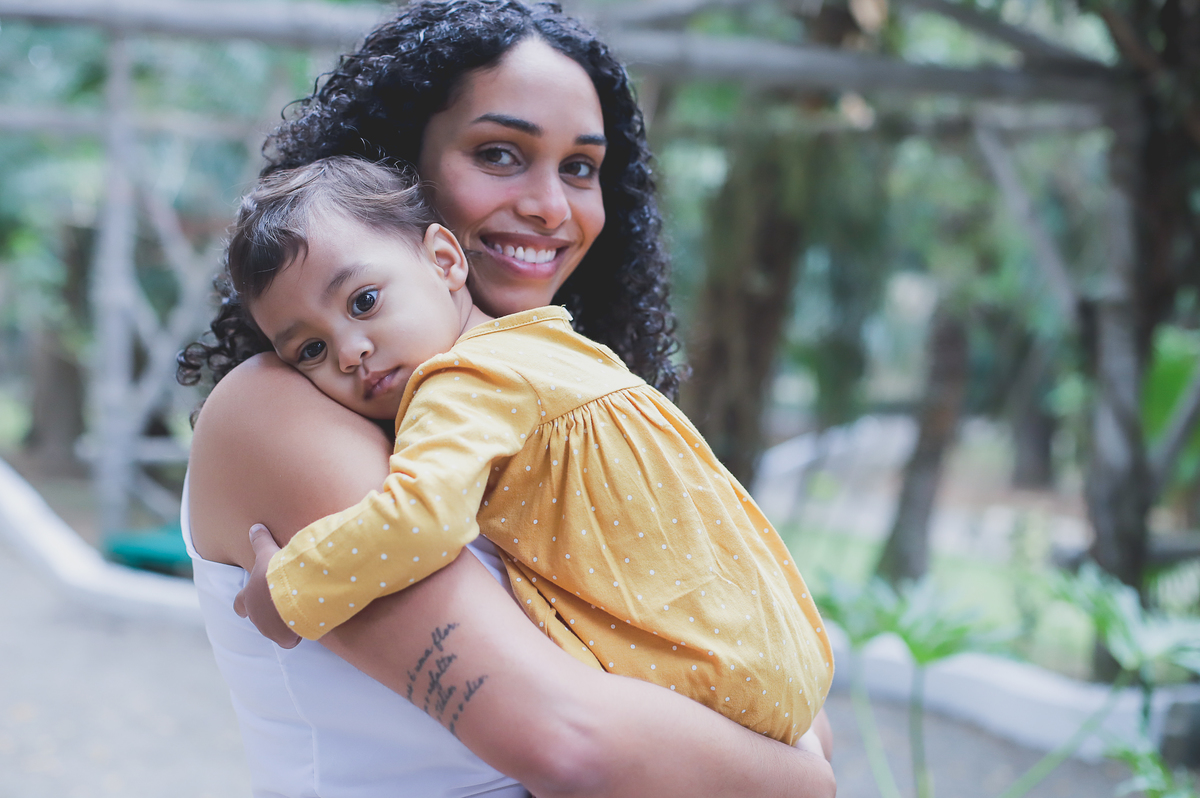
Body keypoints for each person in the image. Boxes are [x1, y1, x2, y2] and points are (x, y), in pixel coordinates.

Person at [179, 1, 835, 795]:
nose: (551, 207)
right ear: (400, 163)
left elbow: (745, 671)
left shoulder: (544, 388)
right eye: (498, 153)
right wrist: (804, 781)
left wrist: (786, 758)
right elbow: (570, 745)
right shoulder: (280, 410)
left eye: (580, 168)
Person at [226, 156, 833, 745]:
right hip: (773, 663)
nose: (349, 352)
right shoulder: (556, 347)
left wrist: (288, 590)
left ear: (444, 261)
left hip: (692, 683)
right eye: (310, 350)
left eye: (363, 301)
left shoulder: (461, 381)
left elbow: (422, 518)